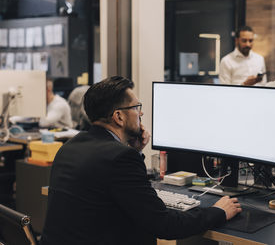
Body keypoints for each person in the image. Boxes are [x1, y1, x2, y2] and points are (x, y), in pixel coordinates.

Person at [41, 76, 242, 245]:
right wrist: (217, 212)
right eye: (136, 107)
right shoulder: (120, 158)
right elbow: (165, 225)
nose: (141, 113)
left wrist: (135, 151)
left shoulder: (70, 146)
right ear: (118, 117)